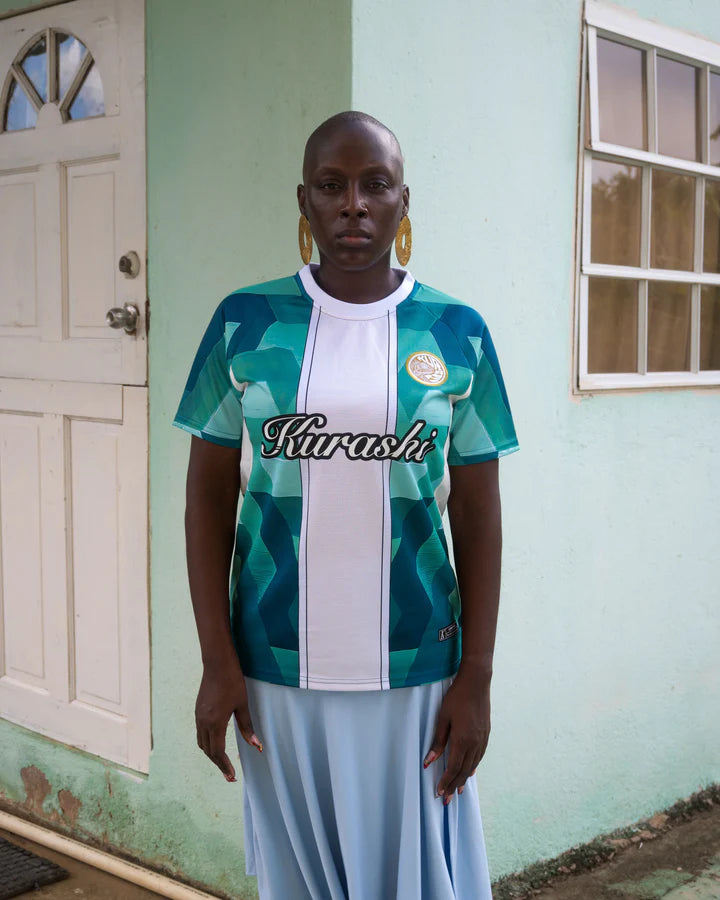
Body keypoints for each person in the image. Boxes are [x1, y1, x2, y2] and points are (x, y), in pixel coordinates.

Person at [174, 111, 519, 900]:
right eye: (332, 186)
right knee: (303, 882)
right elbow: (206, 496)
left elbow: (478, 511)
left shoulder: (455, 332)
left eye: (375, 186)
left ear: (403, 201)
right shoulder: (245, 322)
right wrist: (217, 661)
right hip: (275, 667)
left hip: (416, 668)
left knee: (419, 880)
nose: (354, 205)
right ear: (305, 201)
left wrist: (478, 675)